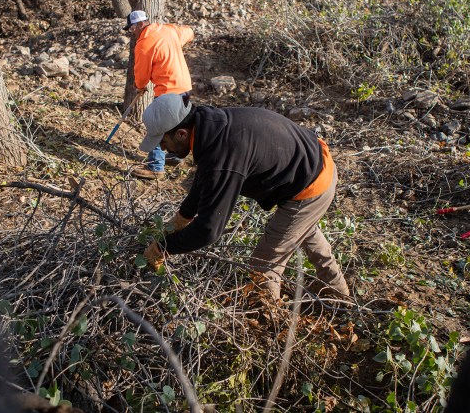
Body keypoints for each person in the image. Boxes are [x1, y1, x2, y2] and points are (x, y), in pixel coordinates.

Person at [139, 93, 350, 301]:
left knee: (263, 264)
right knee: (302, 228)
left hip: (311, 184)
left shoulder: (222, 155)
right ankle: (336, 290)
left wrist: (163, 248)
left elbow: (209, 230)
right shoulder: (211, 125)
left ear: (181, 134)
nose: (162, 148)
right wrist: (182, 217)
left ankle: (270, 325)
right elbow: (204, 180)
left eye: (163, 141)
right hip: (315, 160)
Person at [124, 10, 194, 180]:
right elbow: (190, 32)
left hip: (167, 90)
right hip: (184, 86)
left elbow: (141, 74)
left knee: (157, 126)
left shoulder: (144, 44)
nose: (132, 33)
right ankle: (175, 153)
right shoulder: (169, 30)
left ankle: (156, 166)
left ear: (141, 24)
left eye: (132, 28)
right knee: (178, 123)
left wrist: (139, 86)